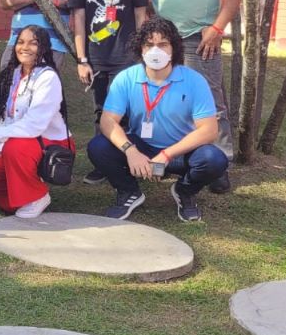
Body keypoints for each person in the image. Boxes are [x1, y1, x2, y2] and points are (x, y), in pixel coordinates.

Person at [132, 0, 241, 171]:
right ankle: (168, 156)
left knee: (210, 99)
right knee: (161, 97)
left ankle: (220, 163)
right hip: (160, 41)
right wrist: (141, 17)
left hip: (200, 37)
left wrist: (217, 28)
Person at [86, 16, 230, 223]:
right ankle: (129, 192)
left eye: (163, 44)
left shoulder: (194, 80)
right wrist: (131, 151)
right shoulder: (126, 78)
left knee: (214, 159)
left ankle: (184, 192)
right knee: (98, 146)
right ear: (141, 48)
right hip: (141, 148)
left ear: (174, 48)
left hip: (180, 152)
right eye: (149, 44)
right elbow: (108, 121)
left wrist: (167, 155)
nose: (156, 51)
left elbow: (209, 130)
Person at [69, 0, 150, 183]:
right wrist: (82, 58)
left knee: (125, 111)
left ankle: (127, 159)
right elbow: (79, 20)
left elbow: (141, 18)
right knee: (100, 111)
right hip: (96, 57)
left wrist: (143, 54)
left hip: (127, 57)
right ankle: (101, 161)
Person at [0, 25, 71, 219]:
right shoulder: (12, 74)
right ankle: (19, 202)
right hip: (17, 142)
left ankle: (37, 196)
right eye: (21, 42)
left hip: (49, 143)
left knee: (15, 148)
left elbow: (35, 125)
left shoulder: (48, 77)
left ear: (44, 48)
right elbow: (6, 116)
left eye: (33, 43)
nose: (25, 47)